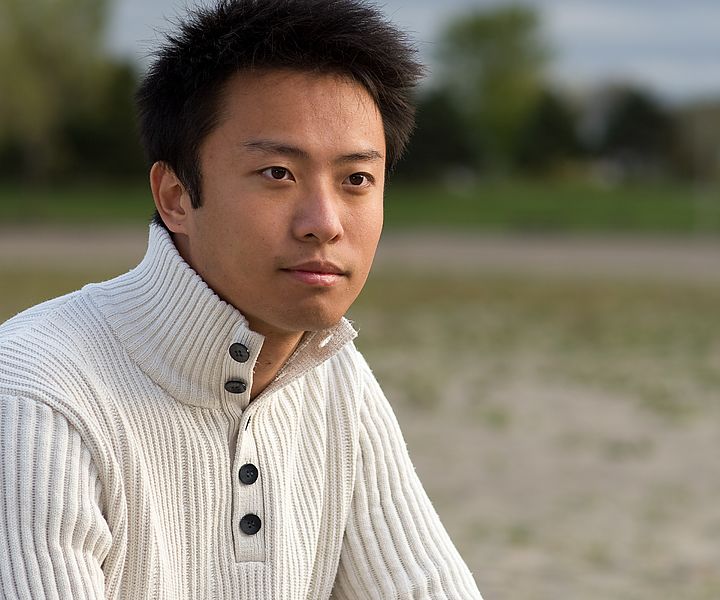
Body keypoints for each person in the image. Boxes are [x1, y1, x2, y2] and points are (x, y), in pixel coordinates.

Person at [0, 0, 484, 597]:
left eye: (356, 179)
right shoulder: (34, 393)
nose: (324, 223)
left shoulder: (333, 379)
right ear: (176, 195)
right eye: (278, 173)